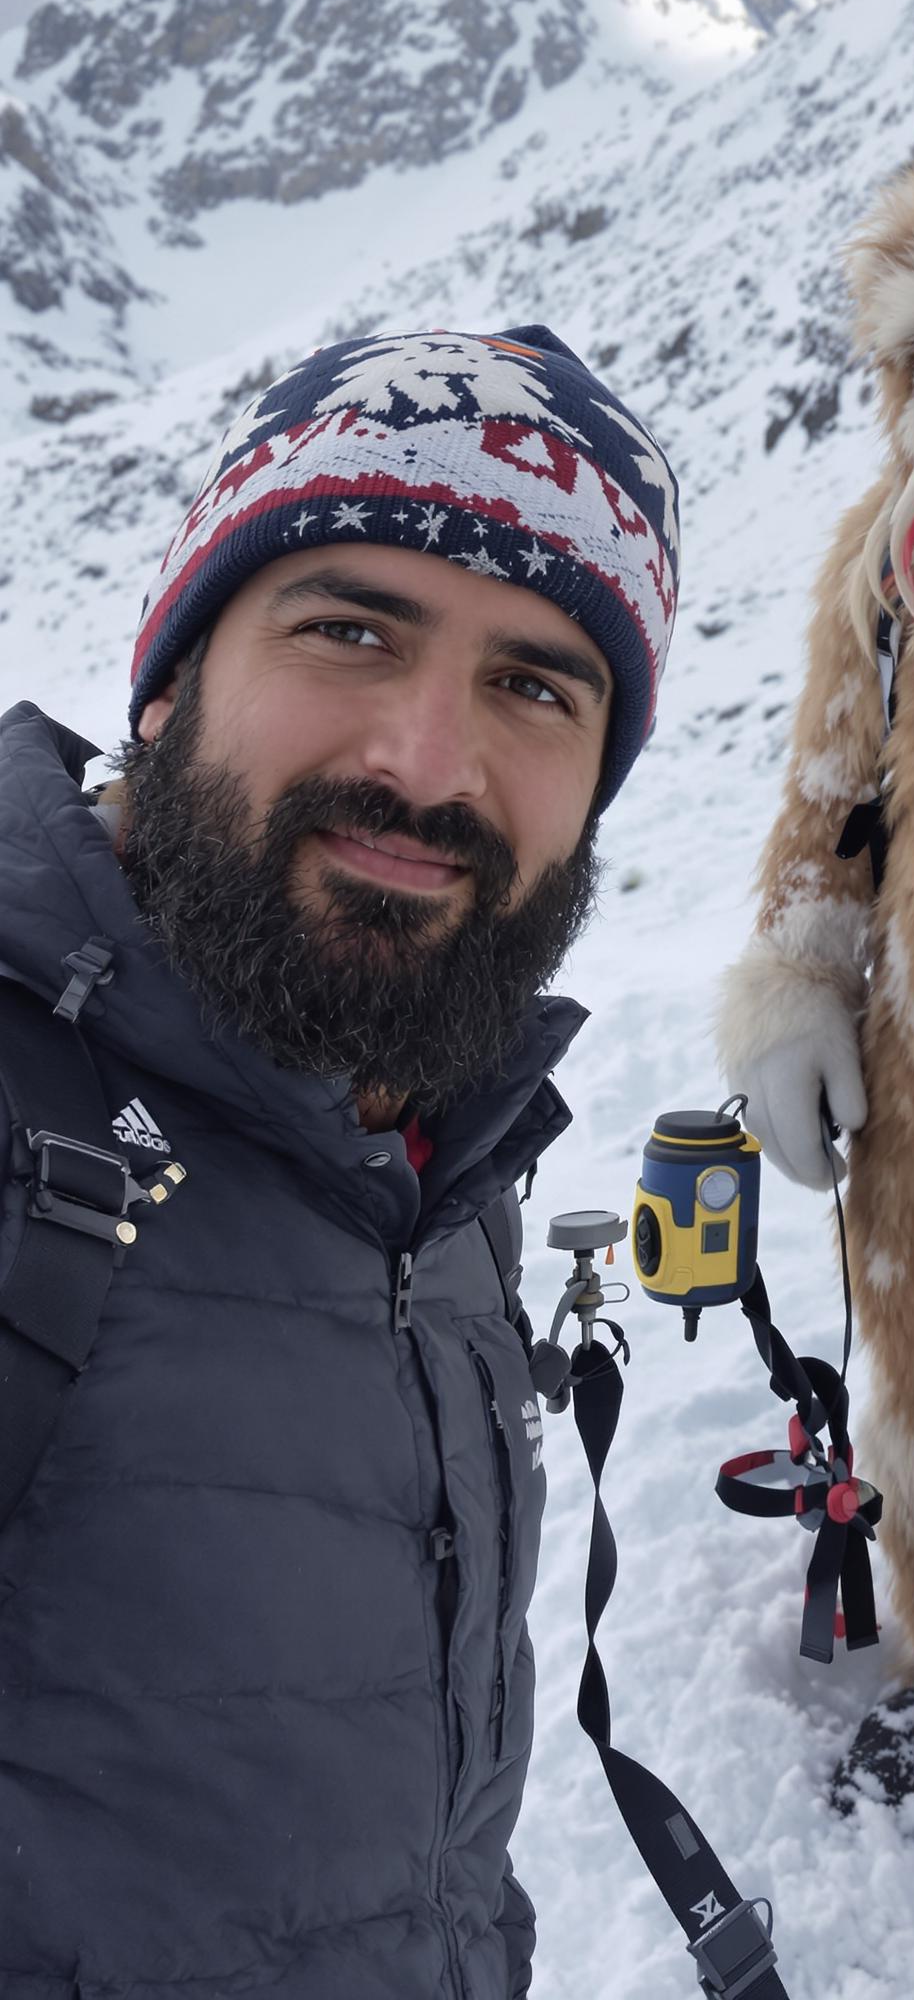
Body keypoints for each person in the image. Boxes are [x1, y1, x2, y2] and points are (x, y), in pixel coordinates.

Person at [0, 326, 680, 2000]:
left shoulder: (423, 1131)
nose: (427, 764)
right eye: (349, 630)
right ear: (171, 677)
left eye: (536, 685)